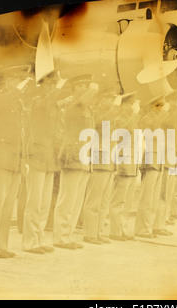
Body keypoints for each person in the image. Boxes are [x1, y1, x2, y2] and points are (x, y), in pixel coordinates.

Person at [0, 65, 31, 258]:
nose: (22, 85)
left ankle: (1, 245)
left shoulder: (19, 103)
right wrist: (16, 91)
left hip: (15, 160)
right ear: (10, 81)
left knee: (8, 204)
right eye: (18, 80)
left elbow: (22, 134)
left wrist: (24, 159)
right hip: (0, 157)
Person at [53, 74, 99, 249]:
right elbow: (78, 103)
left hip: (84, 156)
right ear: (73, 89)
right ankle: (61, 237)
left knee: (77, 200)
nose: (84, 88)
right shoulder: (71, 103)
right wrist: (92, 90)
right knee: (68, 198)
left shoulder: (86, 108)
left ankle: (68, 235)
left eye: (86, 85)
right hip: (72, 154)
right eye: (80, 86)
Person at [22, 71, 62, 254]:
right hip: (37, 155)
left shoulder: (54, 105)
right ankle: (30, 242)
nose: (54, 88)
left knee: (45, 203)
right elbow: (40, 113)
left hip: (50, 157)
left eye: (55, 84)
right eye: (51, 84)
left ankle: (39, 239)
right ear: (44, 85)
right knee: (35, 201)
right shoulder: (38, 102)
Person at [82, 85, 121, 244]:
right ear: (101, 99)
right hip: (100, 161)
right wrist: (113, 109)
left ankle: (98, 232)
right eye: (109, 98)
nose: (111, 102)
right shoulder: (98, 113)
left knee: (104, 201)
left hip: (109, 162)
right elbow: (101, 126)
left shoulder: (109, 115)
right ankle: (90, 233)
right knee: (94, 200)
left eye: (112, 99)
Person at [134, 95, 169, 238]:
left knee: (154, 198)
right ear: (151, 107)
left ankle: (148, 227)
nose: (161, 109)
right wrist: (163, 114)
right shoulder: (148, 118)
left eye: (162, 105)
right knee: (147, 198)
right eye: (158, 106)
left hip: (158, 160)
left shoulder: (158, 119)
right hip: (150, 159)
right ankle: (141, 229)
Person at [153, 89, 177, 235]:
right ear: (172, 102)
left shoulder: (174, 116)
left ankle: (162, 222)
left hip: (171, 159)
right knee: (163, 193)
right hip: (166, 158)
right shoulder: (168, 116)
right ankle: (157, 225)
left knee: (167, 193)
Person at [109, 92, 140, 241]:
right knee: (118, 200)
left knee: (127, 201)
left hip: (132, 164)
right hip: (124, 164)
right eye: (133, 103)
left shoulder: (131, 120)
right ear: (126, 105)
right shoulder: (121, 120)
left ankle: (123, 228)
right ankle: (115, 230)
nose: (135, 106)